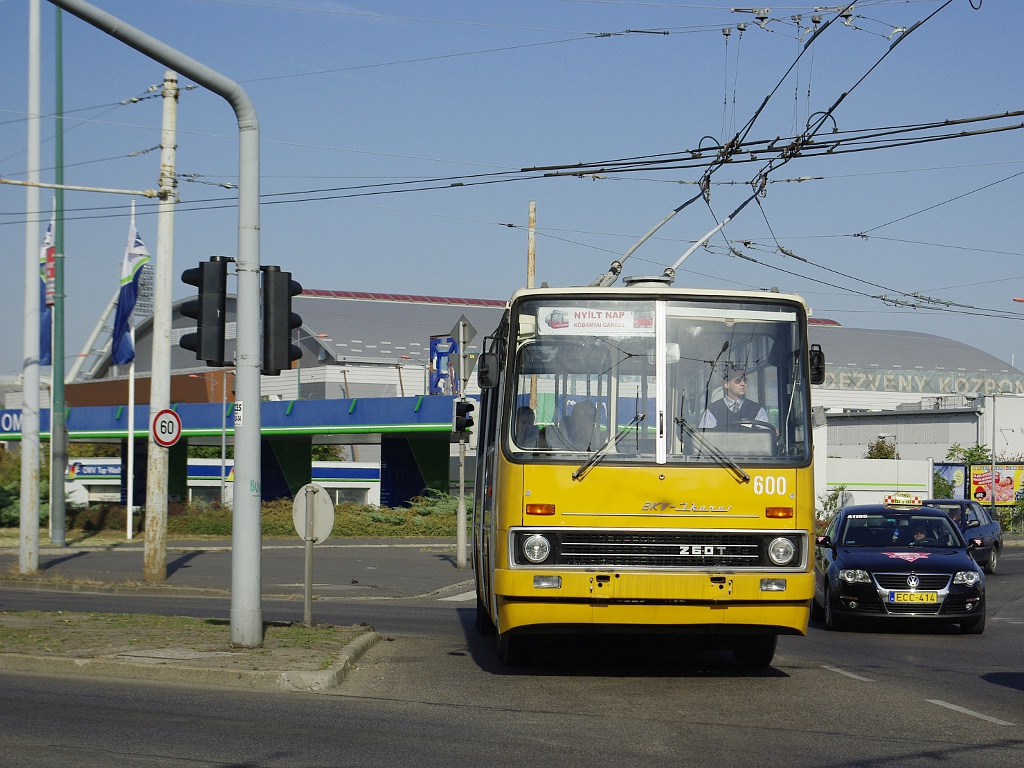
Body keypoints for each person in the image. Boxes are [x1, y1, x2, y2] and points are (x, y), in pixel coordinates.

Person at [698, 366, 769, 430]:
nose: (743, 384)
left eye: (745, 380)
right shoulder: (713, 410)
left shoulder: (757, 409)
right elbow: (705, 437)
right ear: (726, 384)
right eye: (738, 380)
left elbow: (766, 436)